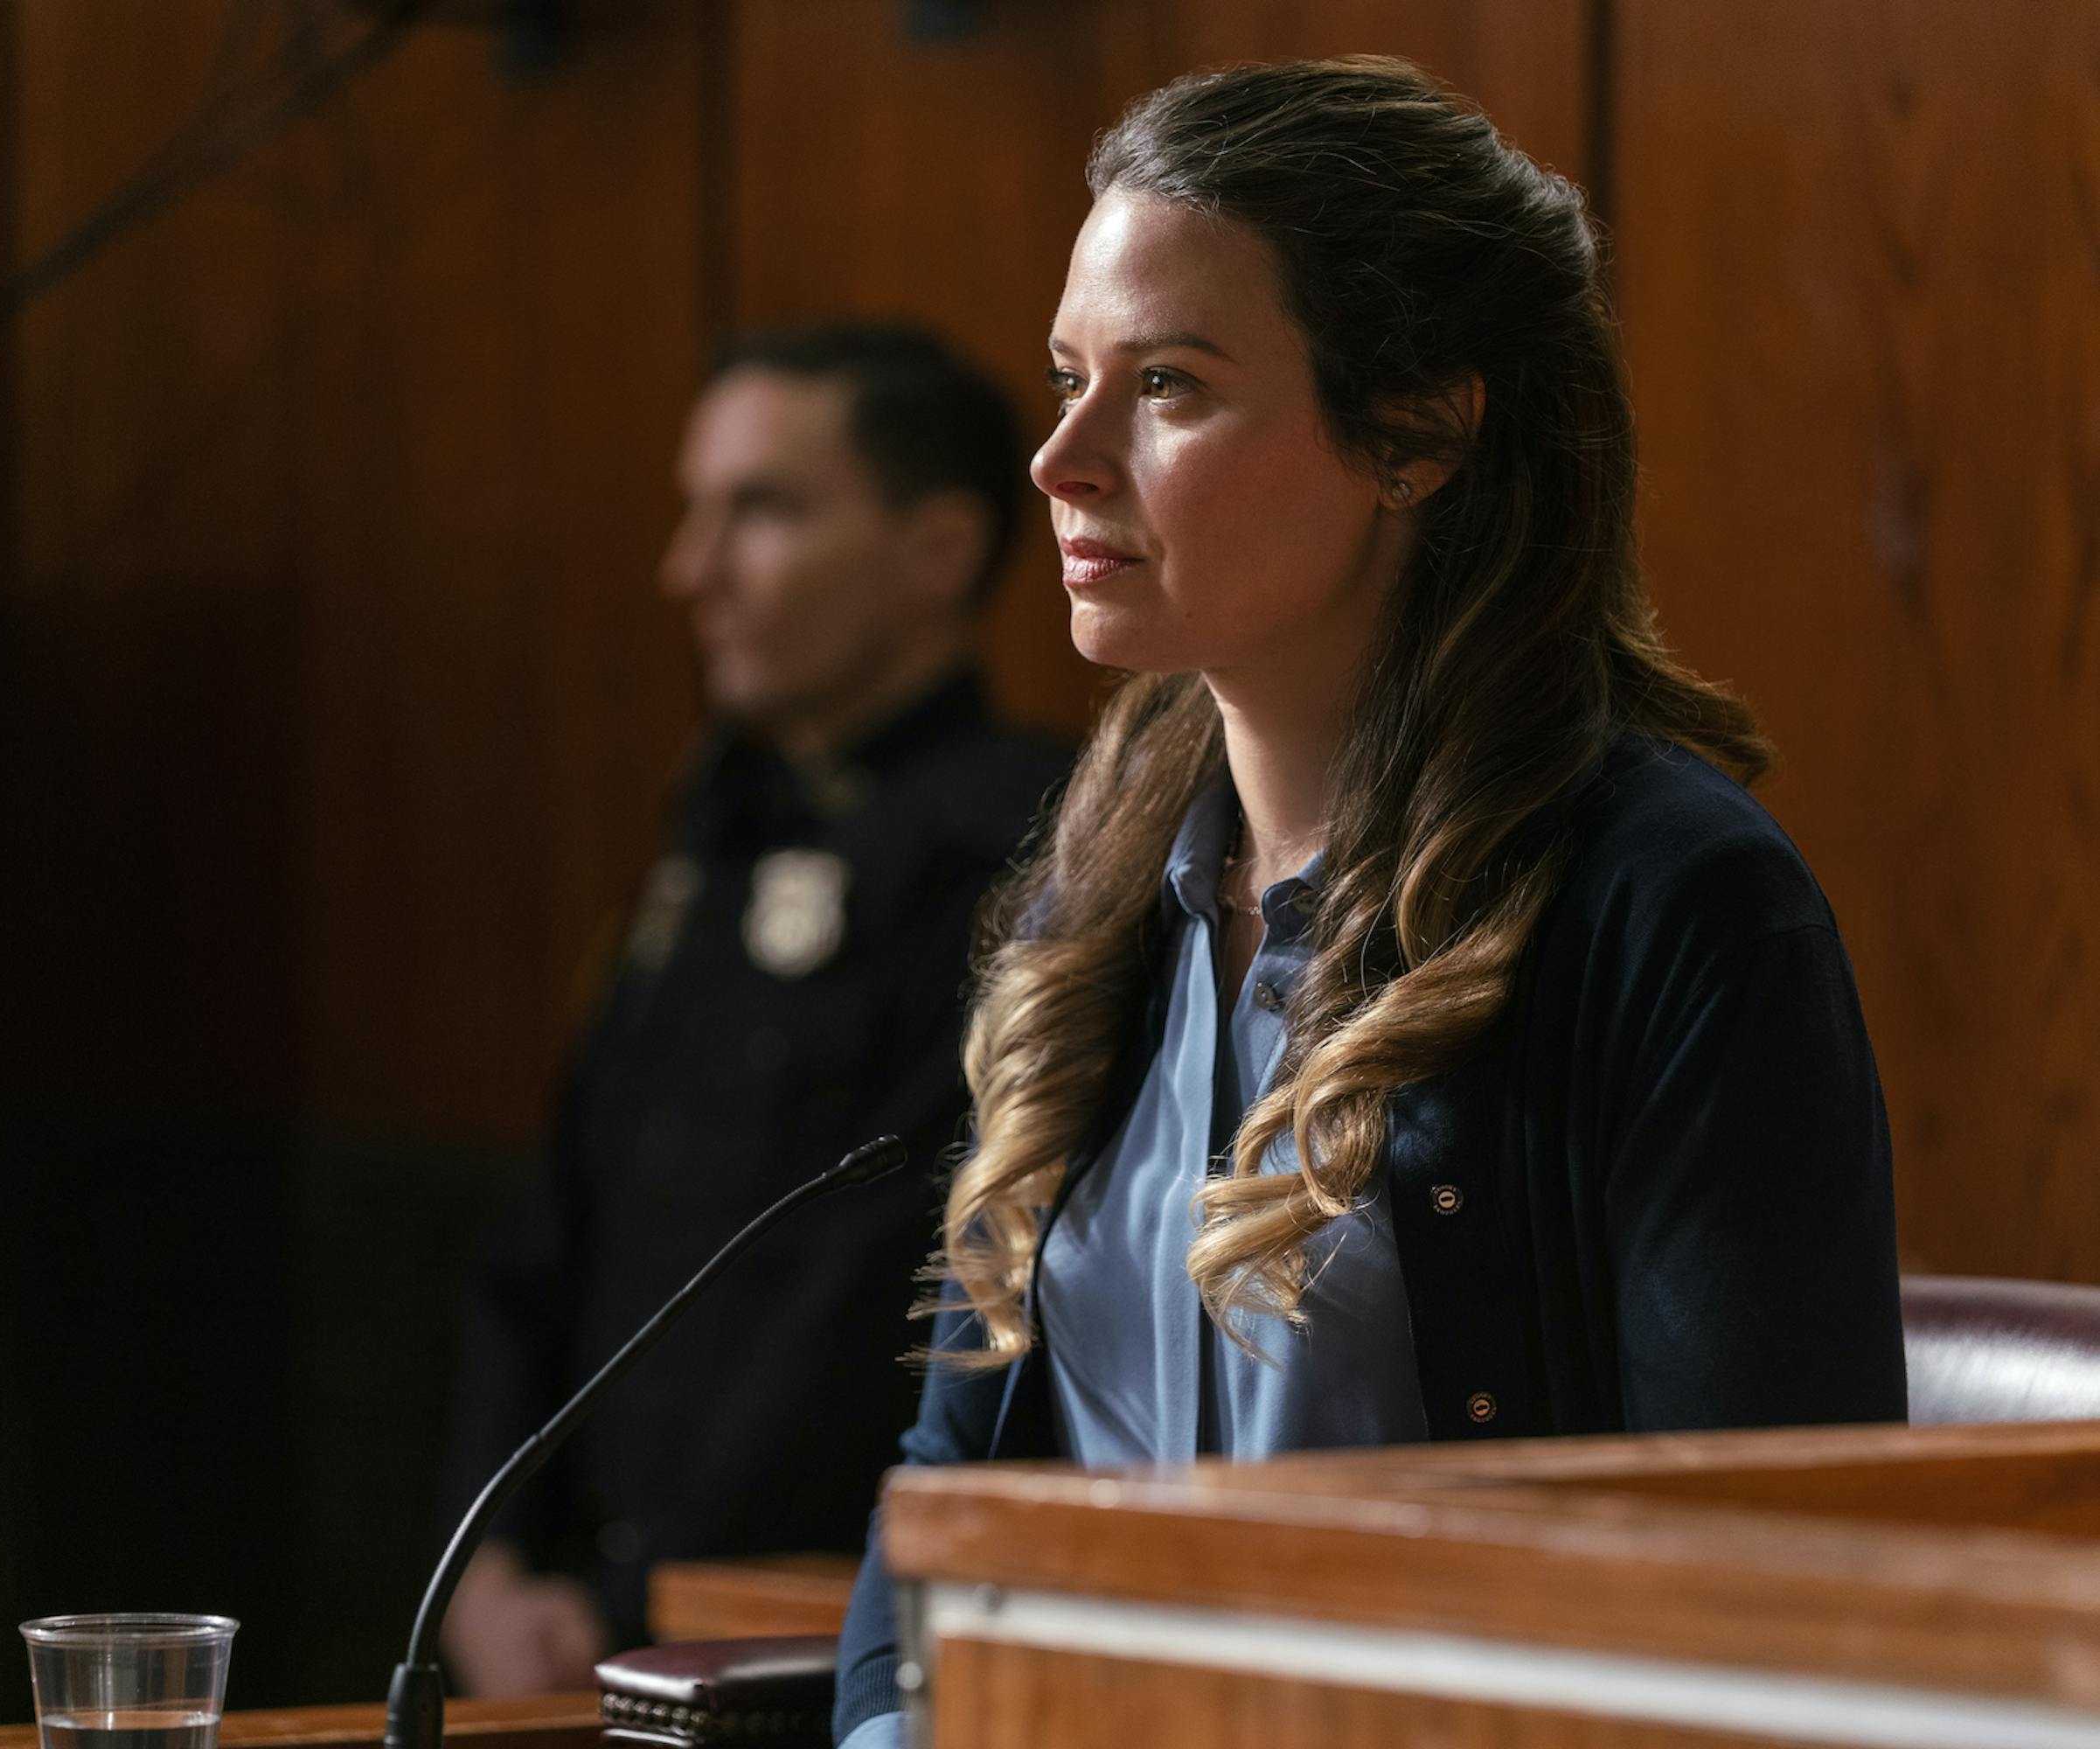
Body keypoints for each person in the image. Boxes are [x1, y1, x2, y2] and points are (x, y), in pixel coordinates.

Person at [832, 59, 1906, 1748]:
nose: (1061, 458)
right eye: (1067, 378)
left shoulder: (1675, 909)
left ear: (1416, 430)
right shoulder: (1096, 883)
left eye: (1166, 386)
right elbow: (946, 1501)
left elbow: (1763, 1594)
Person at [440, 324, 1071, 1697]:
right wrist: (485, 1561)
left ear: (938, 552)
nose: (692, 571)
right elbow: (557, 1234)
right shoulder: (715, 838)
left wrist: (648, 1594)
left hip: (808, 1634)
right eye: (696, 510)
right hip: (571, 1626)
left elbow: (879, 1293)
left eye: (763, 512)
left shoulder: (1029, 853)